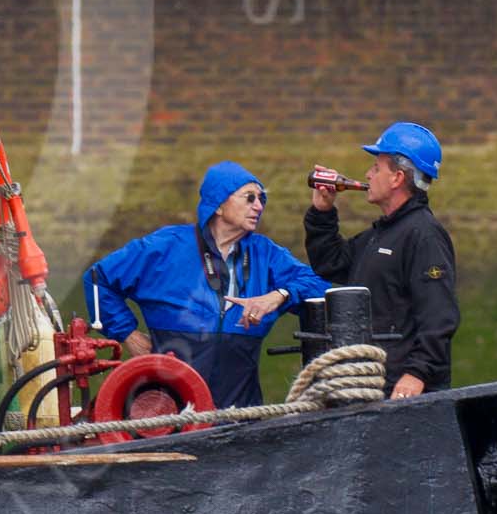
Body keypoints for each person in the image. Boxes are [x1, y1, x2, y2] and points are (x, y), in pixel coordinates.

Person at [83, 161, 333, 408]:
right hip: (167, 409)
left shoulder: (265, 253)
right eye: (249, 198)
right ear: (219, 206)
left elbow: (320, 285)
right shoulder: (165, 246)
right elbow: (97, 279)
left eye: (261, 199)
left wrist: (278, 295)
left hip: (239, 410)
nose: (258, 206)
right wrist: (128, 334)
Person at [305, 122, 459, 399]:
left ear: (397, 178)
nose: (367, 174)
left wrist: (417, 374)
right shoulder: (383, 234)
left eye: (376, 168)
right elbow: (331, 262)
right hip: (372, 383)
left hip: (404, 391)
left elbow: (439, 317)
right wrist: (322, 212)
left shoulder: (424, 235)